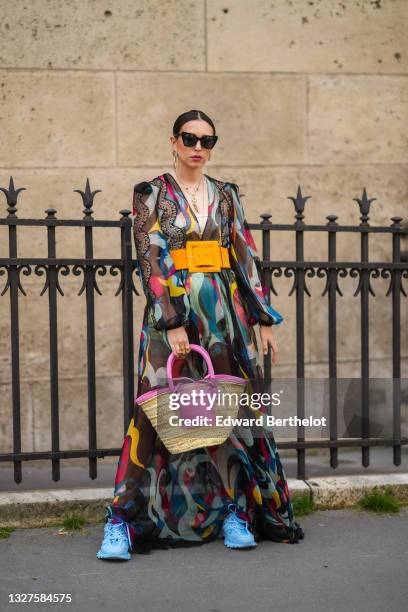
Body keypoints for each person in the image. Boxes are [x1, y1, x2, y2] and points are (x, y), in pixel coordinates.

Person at [97, 109, 304, 560]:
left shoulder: (226, 195)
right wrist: (171, 321)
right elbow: (149, 257)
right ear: (173, 141)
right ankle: (121, 522)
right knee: (153, 416)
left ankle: (234, 513)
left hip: (222, 315)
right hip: (169, 314)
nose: (198, 148)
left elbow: (243, 254)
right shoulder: (150, 193)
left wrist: (262, 317)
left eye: (208, 141)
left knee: (224, 414)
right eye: (190, 138)